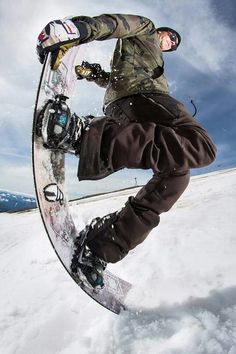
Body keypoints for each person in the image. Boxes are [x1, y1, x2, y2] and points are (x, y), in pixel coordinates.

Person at [37, 14, 217, 290]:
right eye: (170, 37)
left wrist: (95, 75)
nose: (169, 43)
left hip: (128, 105)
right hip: (144, 98)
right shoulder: (147, 31)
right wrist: (80, 30)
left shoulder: (146, 63)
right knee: (200, 145)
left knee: (177, 174)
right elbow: (118, 24)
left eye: (173, 45)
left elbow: (117, 79)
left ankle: (100, 246)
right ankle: (82, 136)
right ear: (162, 32)